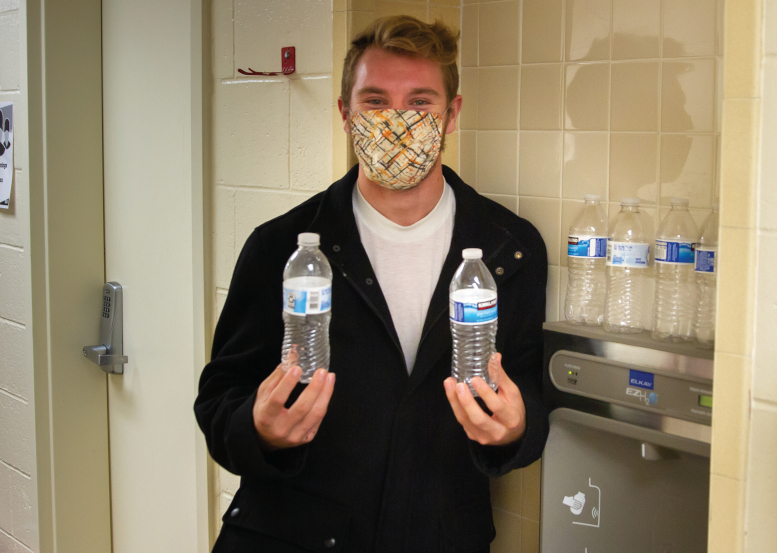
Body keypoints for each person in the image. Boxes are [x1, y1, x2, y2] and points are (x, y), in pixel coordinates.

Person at [195, 15, 549, 553]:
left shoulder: (510, 250)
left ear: (452, 114)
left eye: (421, 103)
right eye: (376, 102)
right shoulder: (281, 247)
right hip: (293, 534)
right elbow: (220, 399)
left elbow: (531, 406)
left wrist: (514, 432)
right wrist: (258, 429)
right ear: (345, 113)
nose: (398, 121)